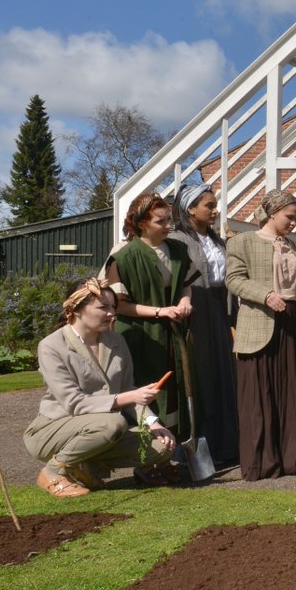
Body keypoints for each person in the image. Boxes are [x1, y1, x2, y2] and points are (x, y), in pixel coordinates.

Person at [24, 279, 176, 497]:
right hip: (53, 430)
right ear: (76, 309)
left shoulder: (117, 341)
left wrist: (153, 424)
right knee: (112, 422)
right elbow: (74, 403)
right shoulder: (51, 346)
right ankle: (52, 471)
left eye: (113, 307)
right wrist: (130, 396)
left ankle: (85, 467)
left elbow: (128, 390)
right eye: (103, 307)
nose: (112, 313)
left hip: (102, 429)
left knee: (163, 446)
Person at [225, 189, 296, 480]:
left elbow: (291, 283)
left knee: (290, 392)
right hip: (260, 322)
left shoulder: (291, 245)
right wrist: (265, 295)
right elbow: (233, 280)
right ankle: (262, 463)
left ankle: (292, 459)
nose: (293, 222)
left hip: (290, 322)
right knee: (258, 395)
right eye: (290, 217)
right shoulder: (242, 242)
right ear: (272, 212)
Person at [104, 194, 195, 451]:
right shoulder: (124, 256)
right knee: (149, 391)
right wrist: (160, 312)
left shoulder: (178, 250)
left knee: (176, 389)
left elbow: (186, 285)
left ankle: (173, 451)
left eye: (169, 220)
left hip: (174, 333)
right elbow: (119, 304)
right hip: (140, 336)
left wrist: (185, 302)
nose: (168, 226)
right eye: (160, 221)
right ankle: (147, 455)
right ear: (142, 222)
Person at [168, 184, 239, 465]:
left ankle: (226, 446)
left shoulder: (218, 241)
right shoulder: (177, 240)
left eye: (213, 205)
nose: (214, 211)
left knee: (223, 375)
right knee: (200, 378)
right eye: (208, 206)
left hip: (218, 308)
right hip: (194, 310)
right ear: (190, 209)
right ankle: (200, 448)